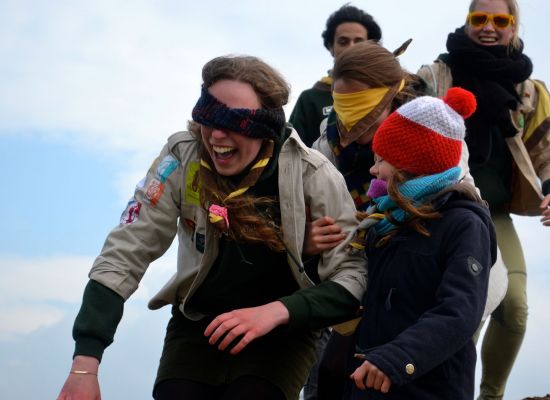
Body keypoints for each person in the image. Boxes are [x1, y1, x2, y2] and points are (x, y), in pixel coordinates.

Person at [56, 55, 368, 400]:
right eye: (208, 116)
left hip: (282, 329)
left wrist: (279, 311)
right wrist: (85, 364)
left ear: (266, 126)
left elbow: (352, 275)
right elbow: (127, 250)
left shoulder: (313, 174)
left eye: (234, 121)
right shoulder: (182, 156)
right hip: (199, 320)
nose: (217, 134)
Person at [417, 1, 550, 398]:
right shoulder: (435, 75)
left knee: (514, 310)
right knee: (463, 311)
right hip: (439, 206)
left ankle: (490, 395)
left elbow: (545, 149)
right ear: (467, 22)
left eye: (500, 20)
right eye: (479, 18)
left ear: (513, 26)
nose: (488, 27)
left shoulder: (528, 89)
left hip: (494, 213)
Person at [348, 87, 497, 400]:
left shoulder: (464, 223)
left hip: (430, 387)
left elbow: (460, 310)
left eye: (382, 160)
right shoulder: (387, 220)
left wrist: (397, 359)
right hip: (371, 382)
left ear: (410, 162)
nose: (373, 170)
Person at [289, 3, 382, 147]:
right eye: (343, 42)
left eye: (359, 41)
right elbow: (291, 154)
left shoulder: (389, 92)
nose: (351, 48)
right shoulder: (310, 99)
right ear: (331, 47)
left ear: (371, 47)